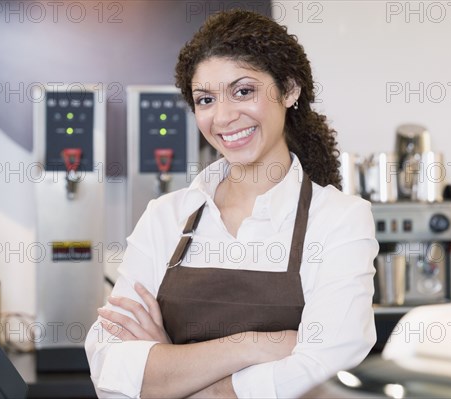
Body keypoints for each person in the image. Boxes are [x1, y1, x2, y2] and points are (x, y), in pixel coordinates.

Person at [85, 9, 378, 399]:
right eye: (205, 99)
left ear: (289, 90)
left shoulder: (339, 220)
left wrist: (172, 367)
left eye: (243, 91)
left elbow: (323, 369)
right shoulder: (165, 217)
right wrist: (255, 345)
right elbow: (109, 367)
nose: (222, 117)